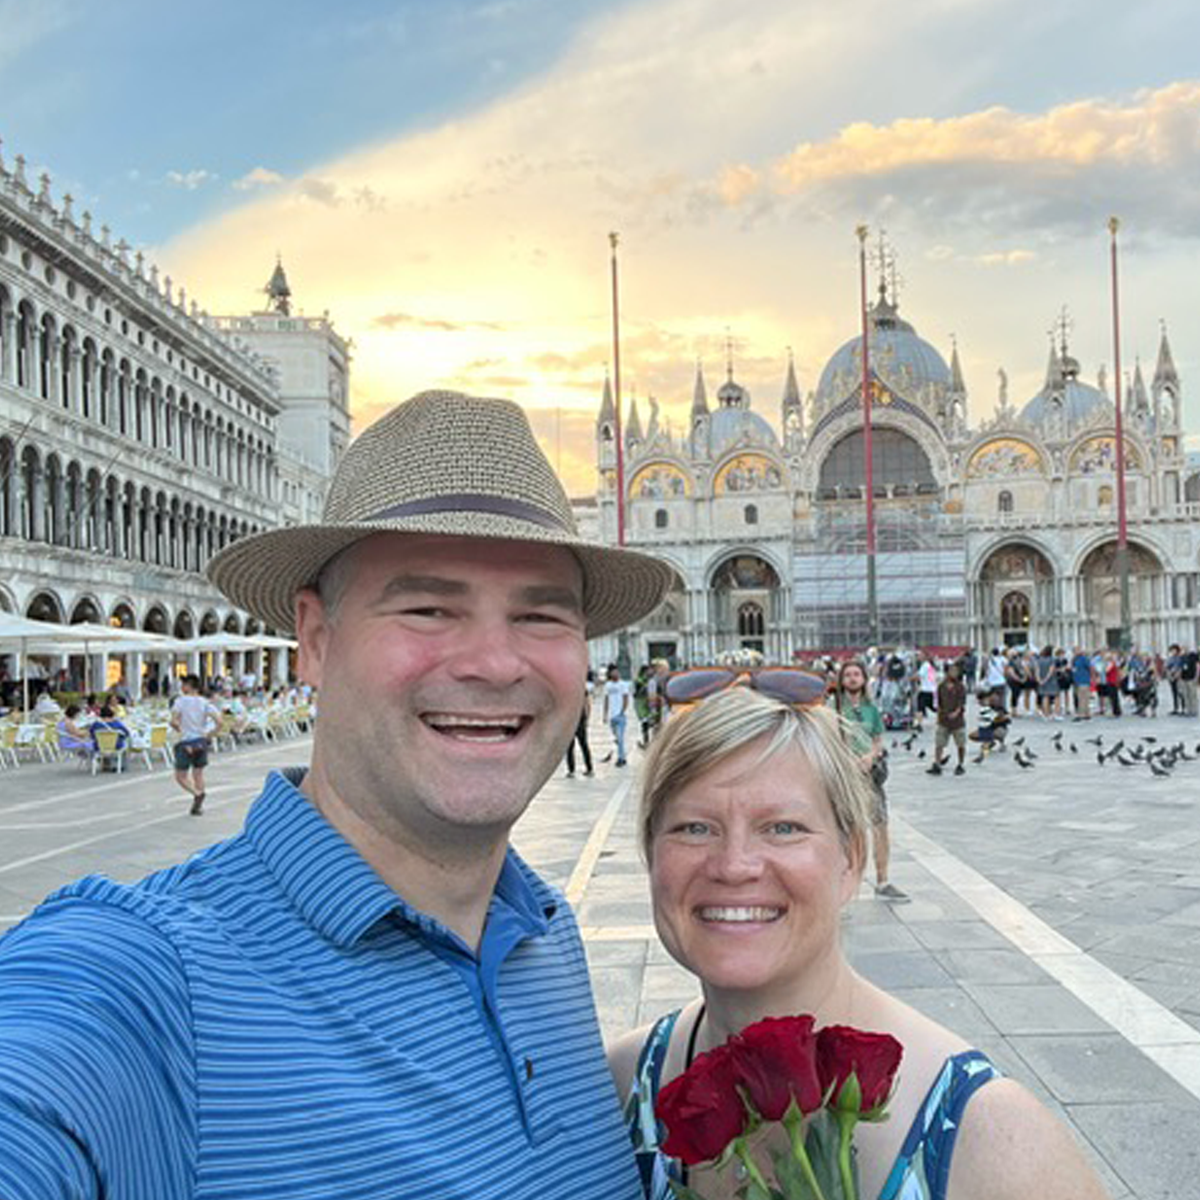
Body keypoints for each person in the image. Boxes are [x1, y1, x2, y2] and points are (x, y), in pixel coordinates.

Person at [0, 389, 673, 1200]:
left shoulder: (545, 939)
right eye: (427, 608)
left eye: (540, 616)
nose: (496, 664)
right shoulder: (144, 978)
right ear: (315, 641)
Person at [609, 685, 1109, 1200]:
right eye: (694, 828)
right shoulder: (619, 1087)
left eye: (783, 827)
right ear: (651, 855)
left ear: (851, 860)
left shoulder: (995, 1142)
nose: (735, 865)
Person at [833, 658, 908, 902]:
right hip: (845, 777)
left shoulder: (871, 709)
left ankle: (883, 880)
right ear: (841, 680)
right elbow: (828, 739)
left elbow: (877, 739)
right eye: (848, 675)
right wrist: (847, 759)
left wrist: (870, 756)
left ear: (864, 679)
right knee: (847, 831)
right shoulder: (832, 709)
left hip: (870, 775)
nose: (853, 678)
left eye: (857, 674)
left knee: (880, 826)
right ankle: (843, 883)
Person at [170, 673, 221, 815]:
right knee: (198, 774)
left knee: (181, 776)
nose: (181, 687)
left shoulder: (180, 701)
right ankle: (198, 806)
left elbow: (173, 721)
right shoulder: (205, 702)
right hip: (201, 741)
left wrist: (179, 729)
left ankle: (196, 793)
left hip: (186, 742)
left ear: (188, 686)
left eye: (183, 685)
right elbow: (220, 722)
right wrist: (209, 734)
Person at [928, 659, 967, 776]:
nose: (955, 673)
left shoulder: (960, 687)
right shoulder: (941, 686)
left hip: (958, 721)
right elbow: (939, 703)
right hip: (943, 719)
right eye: (952, 671)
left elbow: (962, 703)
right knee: (939, 743)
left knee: (961, 743)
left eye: (956, 671)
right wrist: (941, 714)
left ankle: (961, 763)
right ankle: (937, 763)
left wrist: (956, 712)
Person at [566, 674, 595, 778]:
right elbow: (586, 704)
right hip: (571, 720)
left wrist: (587, 717)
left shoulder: (580, 688)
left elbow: (586, 703)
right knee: (572, 746)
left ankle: (586, 768)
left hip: (578, 719)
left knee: (581, 745)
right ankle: (574, 769)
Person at [604, 662, 632, 766]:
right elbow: (606, 700)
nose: (615, 673)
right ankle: (623, 755)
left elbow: (626, 698)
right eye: (613, 672)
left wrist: (622, 711)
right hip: (612, 716)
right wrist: (605, 714)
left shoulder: (623, 684)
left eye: (617, 672)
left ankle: (621, 759)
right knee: (617, 738)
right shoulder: (608, 685)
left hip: (620, 716)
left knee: (620, 738)